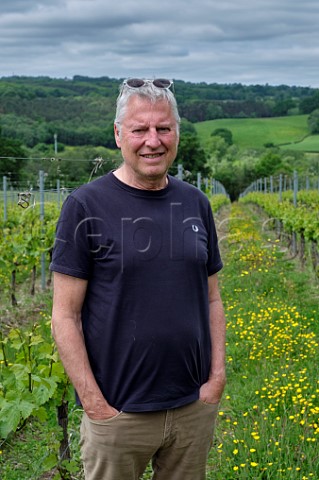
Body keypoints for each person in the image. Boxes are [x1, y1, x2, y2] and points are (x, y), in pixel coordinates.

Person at [50, 77, 226, 480]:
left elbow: (212, 298)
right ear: (118, 135)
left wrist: (215, 381)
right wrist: (96, 406)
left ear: (176, 133)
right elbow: (65, 316)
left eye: (164, 128)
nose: (153, 140)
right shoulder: (84, 206)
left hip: (191, 408)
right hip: (118, 414)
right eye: (140, 129)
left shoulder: (195, 202)